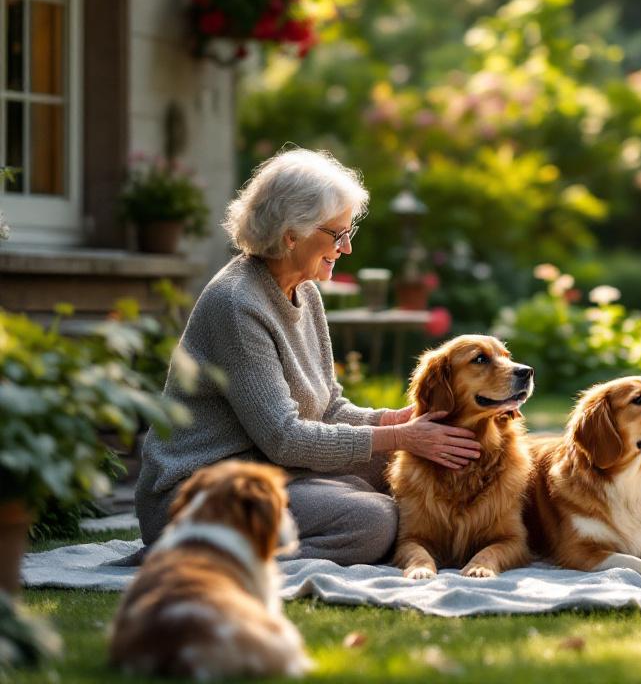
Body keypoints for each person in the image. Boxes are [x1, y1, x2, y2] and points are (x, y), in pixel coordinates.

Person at [135, 147, 480, 565]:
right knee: (373, 521)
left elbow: (328, 407)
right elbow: (284, 439)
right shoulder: (237, 304)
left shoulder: (306, 292)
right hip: (197, 495)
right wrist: (399, 436)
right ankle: (215, 559)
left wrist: (394, 421)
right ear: (291, 235)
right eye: (337, 234)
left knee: (407, 467)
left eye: (349, 232)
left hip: (270, 471)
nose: (346, 248)